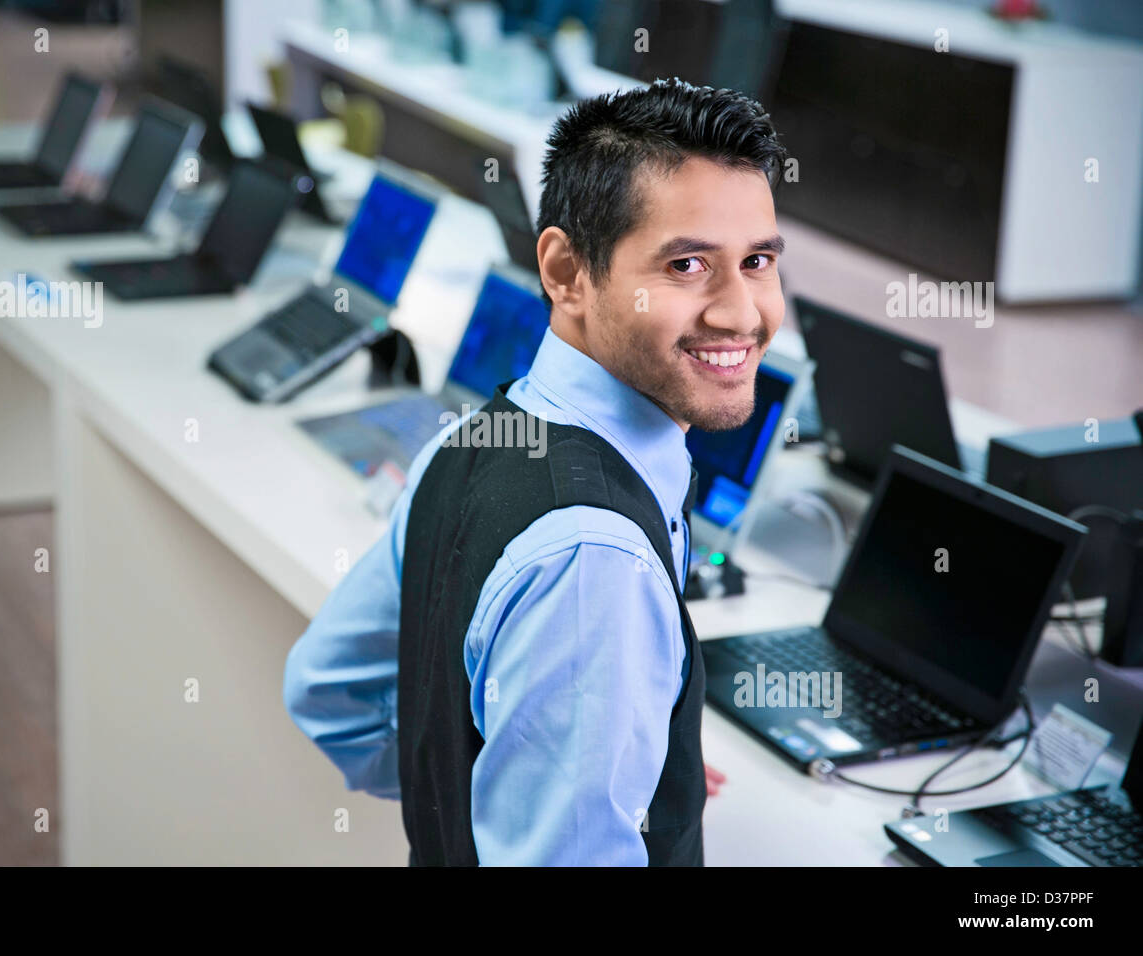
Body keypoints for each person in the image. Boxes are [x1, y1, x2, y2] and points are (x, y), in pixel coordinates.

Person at [285, 79, 788, 865]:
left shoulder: (475, 438)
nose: (741, 312)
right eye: (687, 265)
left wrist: (531, 778)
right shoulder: (595, 560)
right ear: (565, 272)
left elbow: (325, 693)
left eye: (757, 260)